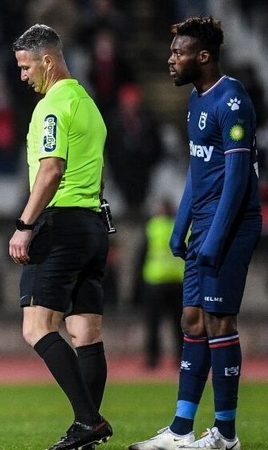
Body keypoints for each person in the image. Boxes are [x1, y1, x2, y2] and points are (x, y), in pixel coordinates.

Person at [129, 16, 260, 450]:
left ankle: (226, 434)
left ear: (202, 57)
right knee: (191, 319)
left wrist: (216, 238)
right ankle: (181, 429)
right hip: (203, 227)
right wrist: (181, 227)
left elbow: (239, 180)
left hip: (231, 225)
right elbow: (198, 173)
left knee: (220, 320)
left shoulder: (233, 100)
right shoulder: (196, 102)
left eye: (178, 53)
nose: (170, 60)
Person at [8, 24, 113, 450]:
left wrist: (25, 225)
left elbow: (51, 169)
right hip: (93, 225)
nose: (22, 76)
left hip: (61, 225)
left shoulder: (53, 106)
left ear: (47, 61)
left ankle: (89, 422)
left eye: (25, 66)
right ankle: (86, 431)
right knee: (85, 333)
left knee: (36, 328)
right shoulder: (88, 103)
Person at [135, 198, 185, 369]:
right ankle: (181, 358)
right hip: (177, 281)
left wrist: (138, 284)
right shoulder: (181, 227)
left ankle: (152, 359)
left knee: (153, 324)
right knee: (179, 324)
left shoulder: (152, 227)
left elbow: (142, 255)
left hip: (155, 281)